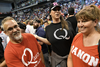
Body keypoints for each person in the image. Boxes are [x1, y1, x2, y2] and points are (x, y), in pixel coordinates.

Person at [34, 2, 75, 67]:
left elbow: (74, 39)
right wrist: (37, 37)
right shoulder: (48, 28)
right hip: (58, 60)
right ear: (50, 12)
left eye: (58, 10)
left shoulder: (68, 23)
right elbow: (50, 41)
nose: (57, 11)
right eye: (54, 10)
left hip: (72, 56)